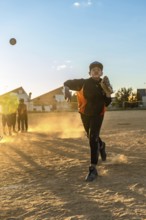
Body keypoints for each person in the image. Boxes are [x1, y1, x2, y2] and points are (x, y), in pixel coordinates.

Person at [63, 61, 113, 182]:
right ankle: (101, 145)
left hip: (98, 114)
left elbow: (107, 103)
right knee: (90, 135)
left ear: (101, 72)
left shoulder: (104, 85)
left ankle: (93, 168)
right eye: (93, 69)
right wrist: (66, 89)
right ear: (89, 72)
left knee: (93, 138)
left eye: (98, 69)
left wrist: (107, 93)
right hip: (84, 113)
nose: (96, 70)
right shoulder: (83, 83)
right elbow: (67, 82)